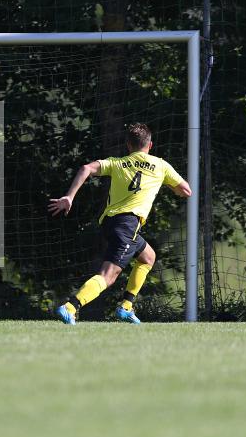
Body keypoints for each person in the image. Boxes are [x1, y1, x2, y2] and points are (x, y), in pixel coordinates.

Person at [48, 123, 192, 324]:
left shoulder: (118, 163)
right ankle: (71, 306)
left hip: (111, 222)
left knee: (148, 257)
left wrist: (69, 197)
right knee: (108, 276)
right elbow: (186, 191)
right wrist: (169, 185)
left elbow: (86, 168)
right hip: (129, 224)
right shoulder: (161, 166)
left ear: (128, 145)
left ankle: (126, 307)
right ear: (150, 145)